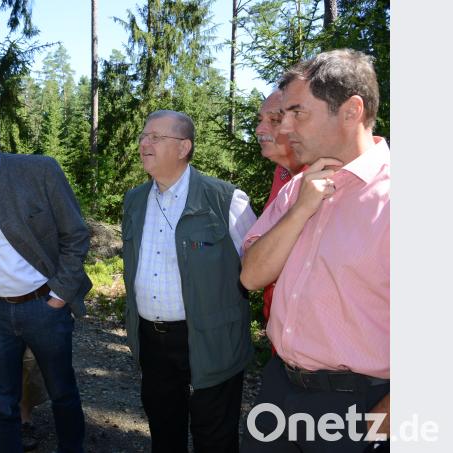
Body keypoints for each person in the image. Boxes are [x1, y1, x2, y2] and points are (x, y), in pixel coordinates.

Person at [239, 49, 389, 452]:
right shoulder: (296, 189)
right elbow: (251, 276)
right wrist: (301, 209)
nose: (285, 127)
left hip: (359, 406)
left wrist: (376, 431)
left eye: (297, 113)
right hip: (278, 389)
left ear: (351, 111)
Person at [0, 98, 91, 453]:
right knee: (1, 402)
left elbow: (75, 234)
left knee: (62, 393)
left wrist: (59, 295)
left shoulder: (38, 171)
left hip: (44, 306)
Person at [121, 110, 258, 453]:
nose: (144, 143)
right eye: (143, 136)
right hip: (152, 341)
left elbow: (259, 266)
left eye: (155, 137)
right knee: (164, 434)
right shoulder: (134, 200)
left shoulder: (225, 200)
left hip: (212, 340)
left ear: (183, 148)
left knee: (214, 438)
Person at [255, 89, 304, 326]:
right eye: (260, 120)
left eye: (274, 120)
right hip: (279, 331)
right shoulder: (282, 173)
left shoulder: (327, 179)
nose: (259, 130)